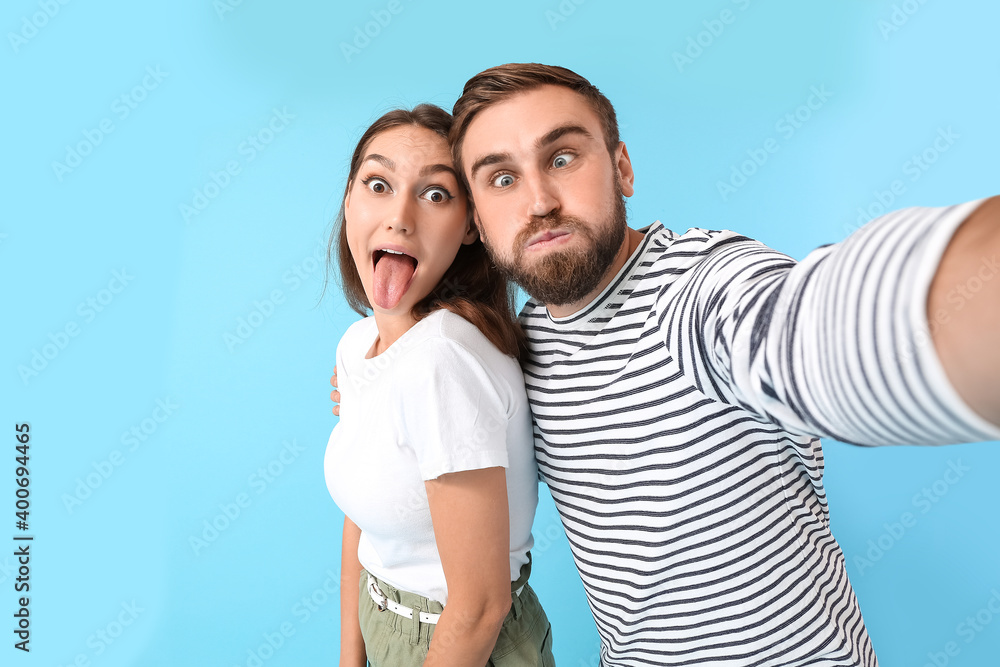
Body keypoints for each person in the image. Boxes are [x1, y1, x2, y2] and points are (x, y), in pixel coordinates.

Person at [336, 64, 1000, 666]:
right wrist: (367, 389)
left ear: (622, 167)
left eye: (563, 156)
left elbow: (816, 325)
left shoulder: (700, 290)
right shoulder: (521, 346)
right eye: (502, 178)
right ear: (478, 219)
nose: (538, 200)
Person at [323, 104, 555, 667]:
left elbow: (477, 609)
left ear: (471, 225)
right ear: (349, 200)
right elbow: (365, 520)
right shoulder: (358, 346)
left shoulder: (442, 363)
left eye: (435, 195)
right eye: (378, 184)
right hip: (384, 620)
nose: (400, 217)